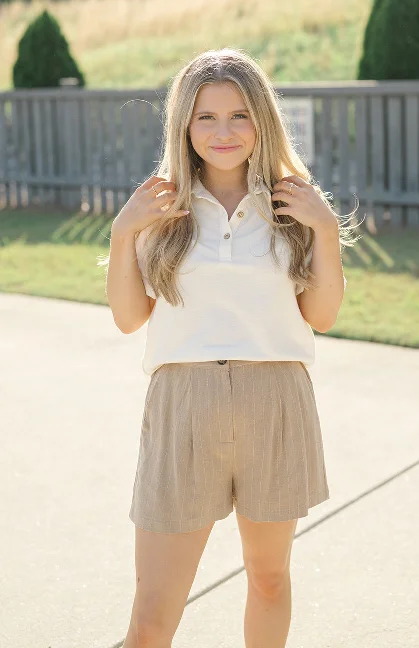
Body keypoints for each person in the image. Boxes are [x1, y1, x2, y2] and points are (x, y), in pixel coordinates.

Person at [104, 48, 359, 648]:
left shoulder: (294, 208)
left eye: (240, 115)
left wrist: (325, 229)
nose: (224, 132)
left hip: (276, 403)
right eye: (206, 117)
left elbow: (320, 316)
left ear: (263, 122)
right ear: (183, 126)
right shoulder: (159, 206)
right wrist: (123, 232)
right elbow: (127, 318)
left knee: (269, 580)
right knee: (151, 615)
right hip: (183, 405)